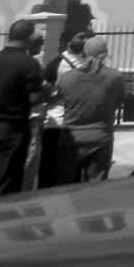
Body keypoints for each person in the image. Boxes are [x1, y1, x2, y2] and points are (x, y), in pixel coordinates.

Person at [0, 18, 47, 199]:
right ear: (29, 37)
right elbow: (34, 98)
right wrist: (50, 93)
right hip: (14, 129)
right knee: (7, 183)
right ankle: (1, 222)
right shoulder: (29, 63)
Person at [53, 34, 129, 183]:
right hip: (100, 137)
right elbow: (120, 101)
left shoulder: (67, 77)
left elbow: (61, 98)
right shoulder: (115, 77)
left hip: (71, 137)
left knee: (67, 188)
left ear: (84, 52)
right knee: (95, 189)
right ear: (105, 54)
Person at [39, 29, 89, 187]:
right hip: (56, 124)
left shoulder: (88, 62)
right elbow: (44, 95)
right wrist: (61, 94)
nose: (85, 40)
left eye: (87, 37)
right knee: (49, 169)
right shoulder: (56, 64)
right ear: (68, 41)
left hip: (77, 123)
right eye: (80, 36)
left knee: (72, 173)